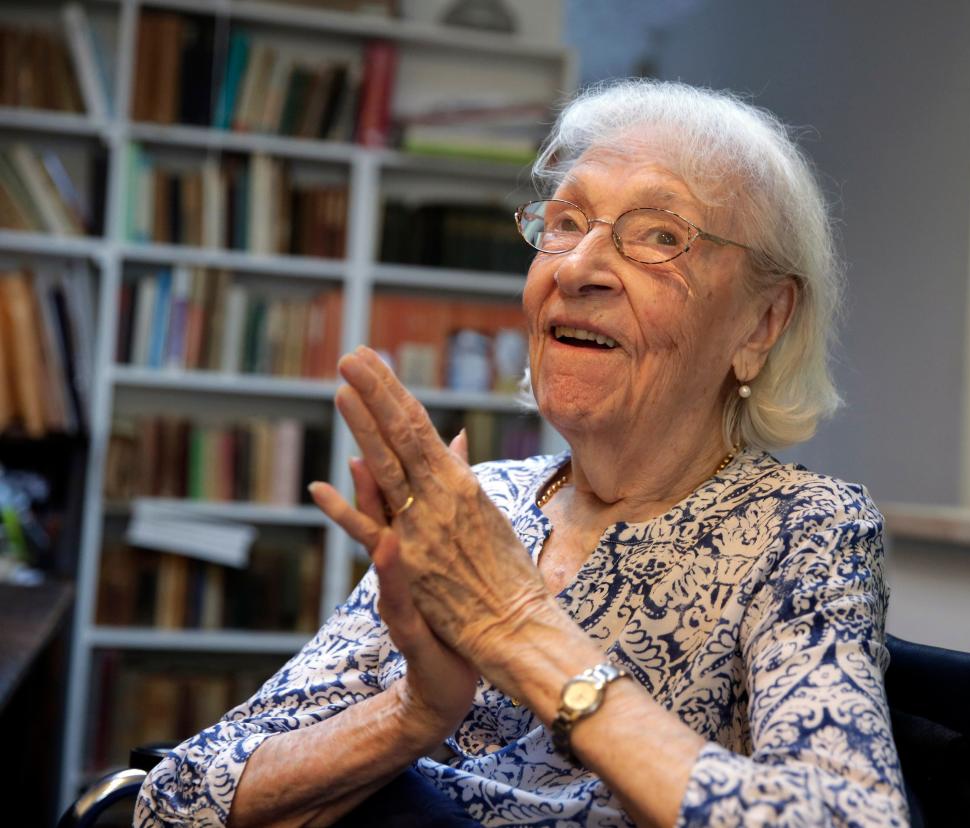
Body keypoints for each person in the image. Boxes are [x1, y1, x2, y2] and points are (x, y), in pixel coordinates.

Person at [137, 79, 910, 827]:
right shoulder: (481, 503)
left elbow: (847, 815)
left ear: (761, 325)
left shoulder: (804, 528)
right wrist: (413, 713)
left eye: (659, 237)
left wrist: (519, 628)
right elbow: (176, 798)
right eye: (566, 223)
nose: (575, 269)